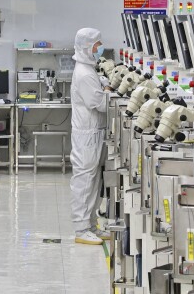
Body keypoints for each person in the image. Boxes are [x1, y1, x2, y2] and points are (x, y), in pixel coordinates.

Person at [70, 27, 112, 245]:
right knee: (85, 180)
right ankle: (81, 228)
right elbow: (97, 103)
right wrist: (110, 94)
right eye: (97, 44)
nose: (100, 47)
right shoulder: (85, 73)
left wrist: (105, 86)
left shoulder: (88, 69)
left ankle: (92, 224)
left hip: (93, 132)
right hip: (86, 134)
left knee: (93, 181)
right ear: (88, 46)